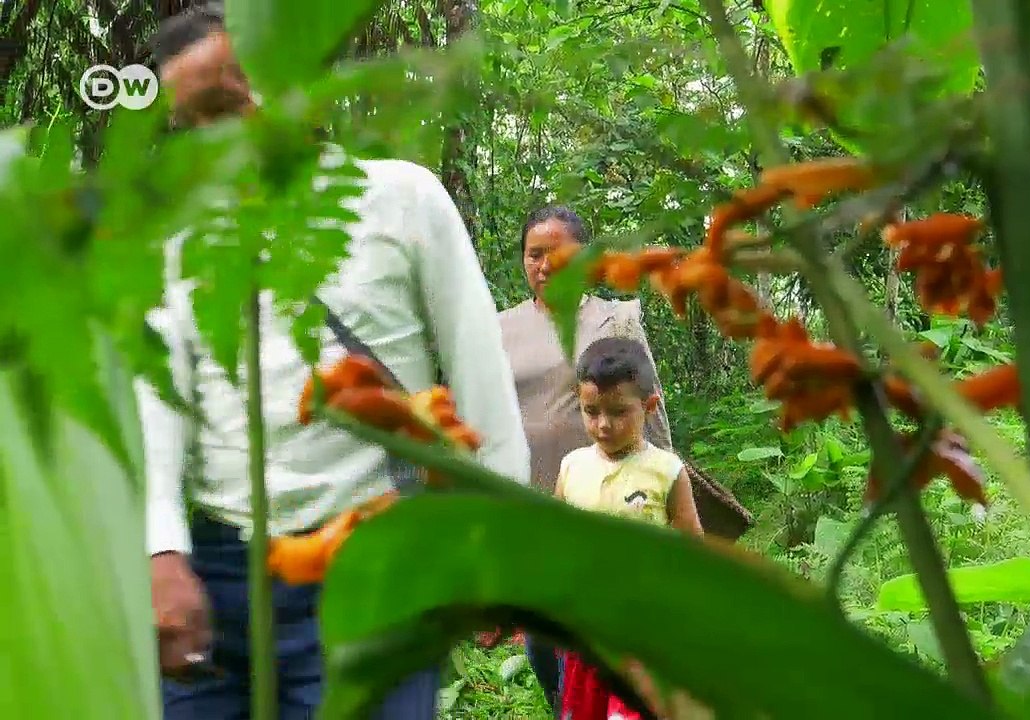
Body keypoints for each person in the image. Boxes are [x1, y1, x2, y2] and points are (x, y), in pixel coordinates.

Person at [140, 4, 531, 718]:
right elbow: (158, 399)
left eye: (229, 102)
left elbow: (482, 380)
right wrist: (162, 550)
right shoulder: (171, 241)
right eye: (193, 119)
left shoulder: (402, 200)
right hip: (219, 577)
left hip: (376, 563)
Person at [498, 205, 674, 711]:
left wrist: (667, 477)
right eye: (535, 255)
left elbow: (649, 405)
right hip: (532, 508)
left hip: (609, 503)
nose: (545, 266)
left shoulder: (612, 319)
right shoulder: (499, 329)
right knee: (544, 641)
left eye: (559, 254)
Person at [554, 336, 703, 720]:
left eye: (619, 412)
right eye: (591, 411)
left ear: (649, 407)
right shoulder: (572, 467)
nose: (603, 424)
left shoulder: (667, 471)